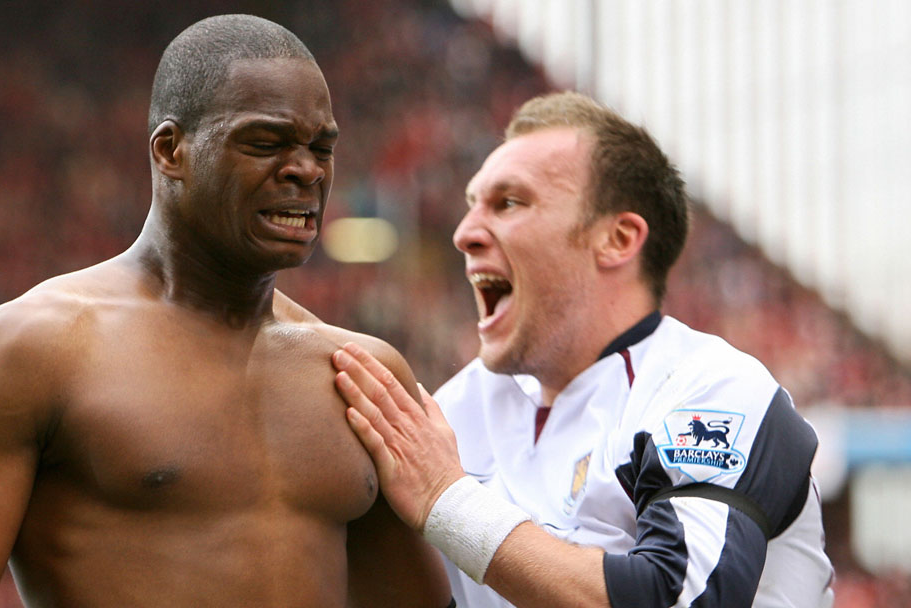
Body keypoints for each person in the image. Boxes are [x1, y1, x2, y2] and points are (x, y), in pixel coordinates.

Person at [0, 14, 452, 608]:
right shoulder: (30, 352)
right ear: (170, 151)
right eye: (266, 143)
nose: (306, 170)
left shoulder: (362, 374)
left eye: (322, 148)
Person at [331, 91, 834, 607]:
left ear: (617, 239)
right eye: (471, 205)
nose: (464, 234)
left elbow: (683, 596)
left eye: (509, 203)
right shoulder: (456, 409)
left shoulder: (711, 388)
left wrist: (448, 501)